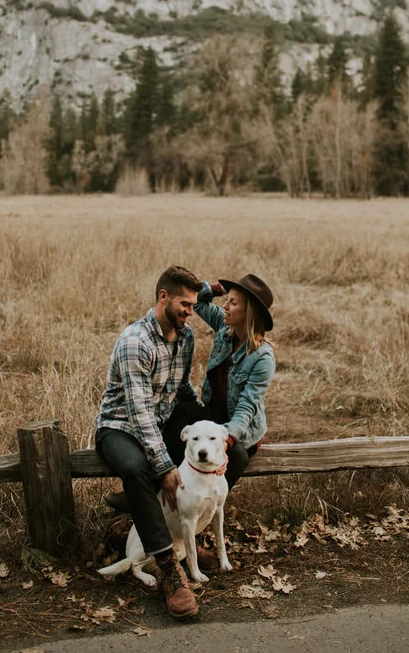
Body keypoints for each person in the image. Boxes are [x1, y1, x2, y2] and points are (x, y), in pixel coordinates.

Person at [95, 265, 204, 619]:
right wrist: (166, 468)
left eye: (194, 305)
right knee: (136, 467)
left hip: (160, 417)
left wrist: (206, 415)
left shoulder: (185, 336)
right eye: (185, 304)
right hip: (120, 426)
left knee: (209, 440)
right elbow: (139, 412)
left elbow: (180, 386)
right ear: (163, 297)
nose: (190, 312)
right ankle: (169, 570)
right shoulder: (135, 342)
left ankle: (183, 526)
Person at [162, 273, 276, 492]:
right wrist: (214, 288)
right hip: (214, 416)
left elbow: (247, 407)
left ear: (249, 312)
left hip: (239, 430)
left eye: (233, 303)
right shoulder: (225, 329)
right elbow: (200, 302)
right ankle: (166, 483)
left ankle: (206, 502)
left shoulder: (263, 358)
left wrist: (226, 440)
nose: (225, 306)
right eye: (227, 300)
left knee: (238, 456)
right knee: (182, 412)